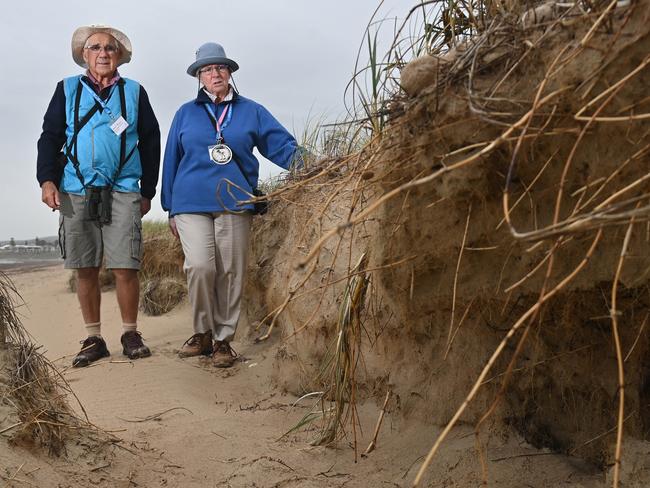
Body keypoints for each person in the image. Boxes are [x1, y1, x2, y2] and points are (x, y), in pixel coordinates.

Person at [162, 42, 302, 368]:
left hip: (236, 201)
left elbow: (280, 145)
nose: (215, 74)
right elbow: (171, 158)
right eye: (208, 69)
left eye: (221, 68)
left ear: (230, 73)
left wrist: (309, 165)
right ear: (199, 77)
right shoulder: (185, 113)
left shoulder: (251, 110)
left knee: (231, 271)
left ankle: (223, 340)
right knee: (200, 266)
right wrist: (169, 205)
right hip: (190, 202)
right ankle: (201, 334)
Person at [36, 25, 161, 367]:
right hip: (74, 187)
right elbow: (49, 136)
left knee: (125, 266)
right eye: (95, 48)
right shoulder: (67, 89)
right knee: (85, 267)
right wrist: (47, 180)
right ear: (84, 55)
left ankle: (130, 333)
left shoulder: (135, 92)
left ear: (119, 55)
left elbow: (151, 141)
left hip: (123, 187)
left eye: (110, 48)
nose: (103, 53)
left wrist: (147, 190)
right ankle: (94, 338)